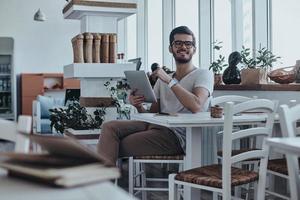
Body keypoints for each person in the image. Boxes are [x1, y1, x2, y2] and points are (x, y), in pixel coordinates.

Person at [97, 26, 214, 165]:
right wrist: (139, 106)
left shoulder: (203, 74)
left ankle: (102, 183)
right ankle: (103, 182)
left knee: (112, 145)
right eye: (178, 43)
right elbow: (152, 115)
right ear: (170, 48)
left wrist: (170, 81)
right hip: (157, 127)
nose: (183, 46)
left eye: (188, 43)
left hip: (179, 135)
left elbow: (196, 106)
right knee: (109, 127)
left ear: (194, 49)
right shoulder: (163, 79)